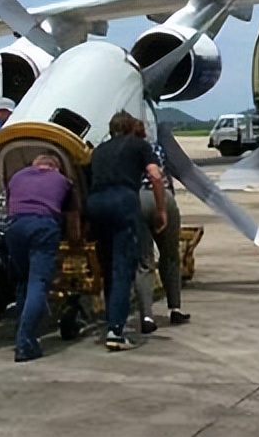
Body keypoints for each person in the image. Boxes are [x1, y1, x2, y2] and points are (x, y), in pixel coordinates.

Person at [87, 111, 167, 351]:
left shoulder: (99, 151)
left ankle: (111, 320)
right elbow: (155, 175)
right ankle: (116, 331)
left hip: (95, 203)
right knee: (123, 267)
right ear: (132, 127)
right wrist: (161, 209)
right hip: (122, 201)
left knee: (108, 266)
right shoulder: (139, 145)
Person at [3, 152, 75, 362]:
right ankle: (25, 343)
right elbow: (72, 216)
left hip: (14, 227)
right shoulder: (62, 180)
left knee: (23, 280)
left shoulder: (17, 176)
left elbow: (9, 205)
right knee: (38, 283)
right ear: (54, 167)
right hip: (43, 226)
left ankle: (23, 328)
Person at [131, 120, 189, 335]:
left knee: (144, 261)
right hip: (160, 196)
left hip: (135, 200)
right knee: (170, 255)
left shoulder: (120, 148)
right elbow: (162, 175)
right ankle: (175, 308)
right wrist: (165, 205)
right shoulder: (154, 148)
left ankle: (146, 315)